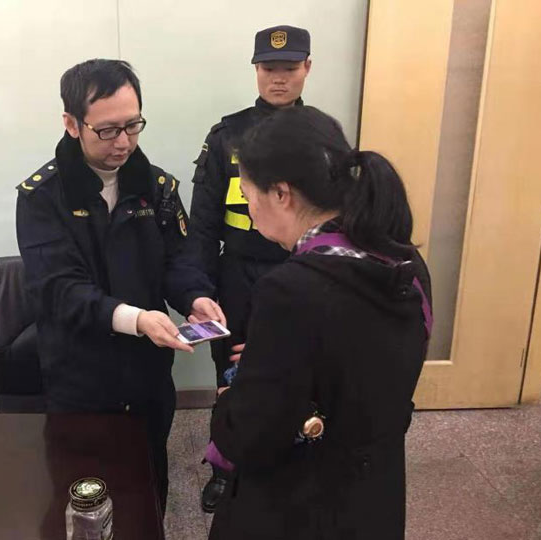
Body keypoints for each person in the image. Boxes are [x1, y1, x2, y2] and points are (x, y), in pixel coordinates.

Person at [207, 106, 432, 540]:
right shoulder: (404, 259)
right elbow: (367, 364)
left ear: (281, 194)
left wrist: (231, 398)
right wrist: (278, 357)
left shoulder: (290, 290)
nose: (248, 209)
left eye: (248, 193)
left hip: (302, 505)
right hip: (374, 492)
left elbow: (251, 436)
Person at [15, 59, 224, 512]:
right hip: (80, 373)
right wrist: (136, 318)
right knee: (83, 490)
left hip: (147, 371)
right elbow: (60, 288)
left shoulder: (157, 186)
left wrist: (195, 296)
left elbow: (178, 260)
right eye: (108, 130)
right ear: (72, 124)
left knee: (147, 479)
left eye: (133, 125)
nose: (124, 142)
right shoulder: (42, 198)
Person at [187, 24, 350, 512]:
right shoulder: (226, 136)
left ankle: (297, 459)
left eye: (289, 68)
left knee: (303, 372)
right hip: (240, 276)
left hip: (305, 273)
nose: (279, 78)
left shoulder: (322, 136)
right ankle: (225, 468)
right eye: (269, 68)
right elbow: (203, 224)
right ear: (256, 70)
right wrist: (199, 289)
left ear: (307, 68)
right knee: (234, 374)